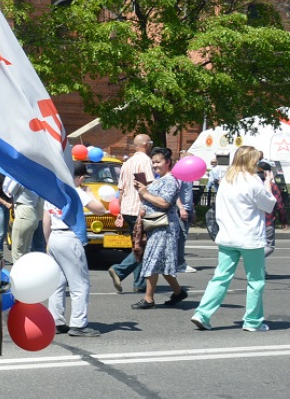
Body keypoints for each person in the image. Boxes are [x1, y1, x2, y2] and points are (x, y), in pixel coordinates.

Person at [191, 146, 278, 331]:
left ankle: (202, 313)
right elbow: (269, 204)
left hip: (227, 236)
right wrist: (268, 182)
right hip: (249, 238)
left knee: (220, 278)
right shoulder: (253, 182)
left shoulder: (227, 181)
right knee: (255, 281)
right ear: (251, 162)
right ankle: (253, 321)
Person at [44, 165, 106, 337]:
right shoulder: (77, 191)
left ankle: (56, 321)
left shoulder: (51, 191)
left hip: (55, 236)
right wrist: (90, 194)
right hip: (70, 237)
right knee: (80, 283)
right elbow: (99, 210)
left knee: (58, 283)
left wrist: (48, 242)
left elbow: (46, 220)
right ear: (79, 178)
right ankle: (78, 324)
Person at [130, 147, 186, 309]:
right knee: (162, 263)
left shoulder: (170, 180)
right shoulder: (159, 179)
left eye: (158, 162)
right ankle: (178, 292)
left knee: (153, 260)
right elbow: (150, 199)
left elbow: (164, 203)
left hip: (164, 226)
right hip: (155, 225)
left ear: (168, 162)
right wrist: (142, 191)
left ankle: (148, 299)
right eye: (153, 162)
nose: (155, 165)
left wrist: (145, 193)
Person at [108, 134, 154, 293]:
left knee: (137, 243)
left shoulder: (127, 163)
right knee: (143, 245)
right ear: (147, 145)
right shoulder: (145, 161)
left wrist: (120, 211)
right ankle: (119, 270)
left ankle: (139, 283)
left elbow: (120, 190)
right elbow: (149, 186)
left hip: (127, 208)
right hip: (140, 209)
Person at [3, 175, 42, 264]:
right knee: (26, 250)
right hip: (33, 211)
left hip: (23, 211)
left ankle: (17, 276)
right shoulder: (36, 178)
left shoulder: (21, 176)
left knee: (17, 251)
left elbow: (10, 191)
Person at [259, 161, 285, 259]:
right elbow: (279, 205)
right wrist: (283, 221)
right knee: (269, 247)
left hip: (253, 220)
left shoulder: (253, 184)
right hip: (268, 221)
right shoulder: (272, 186)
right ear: (268, 172)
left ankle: (260, 271)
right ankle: (254, 258)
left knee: (258, 246)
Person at [174, 173, 195, 273]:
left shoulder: (190, 177)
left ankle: (177, 262)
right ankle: (180, 263)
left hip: (188, 209)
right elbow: (176, 193)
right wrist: (181, 208)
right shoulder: (180, 175)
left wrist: (192, 209)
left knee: (183, 237)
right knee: (181, 237)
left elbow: (189, 193)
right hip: (181, 210)